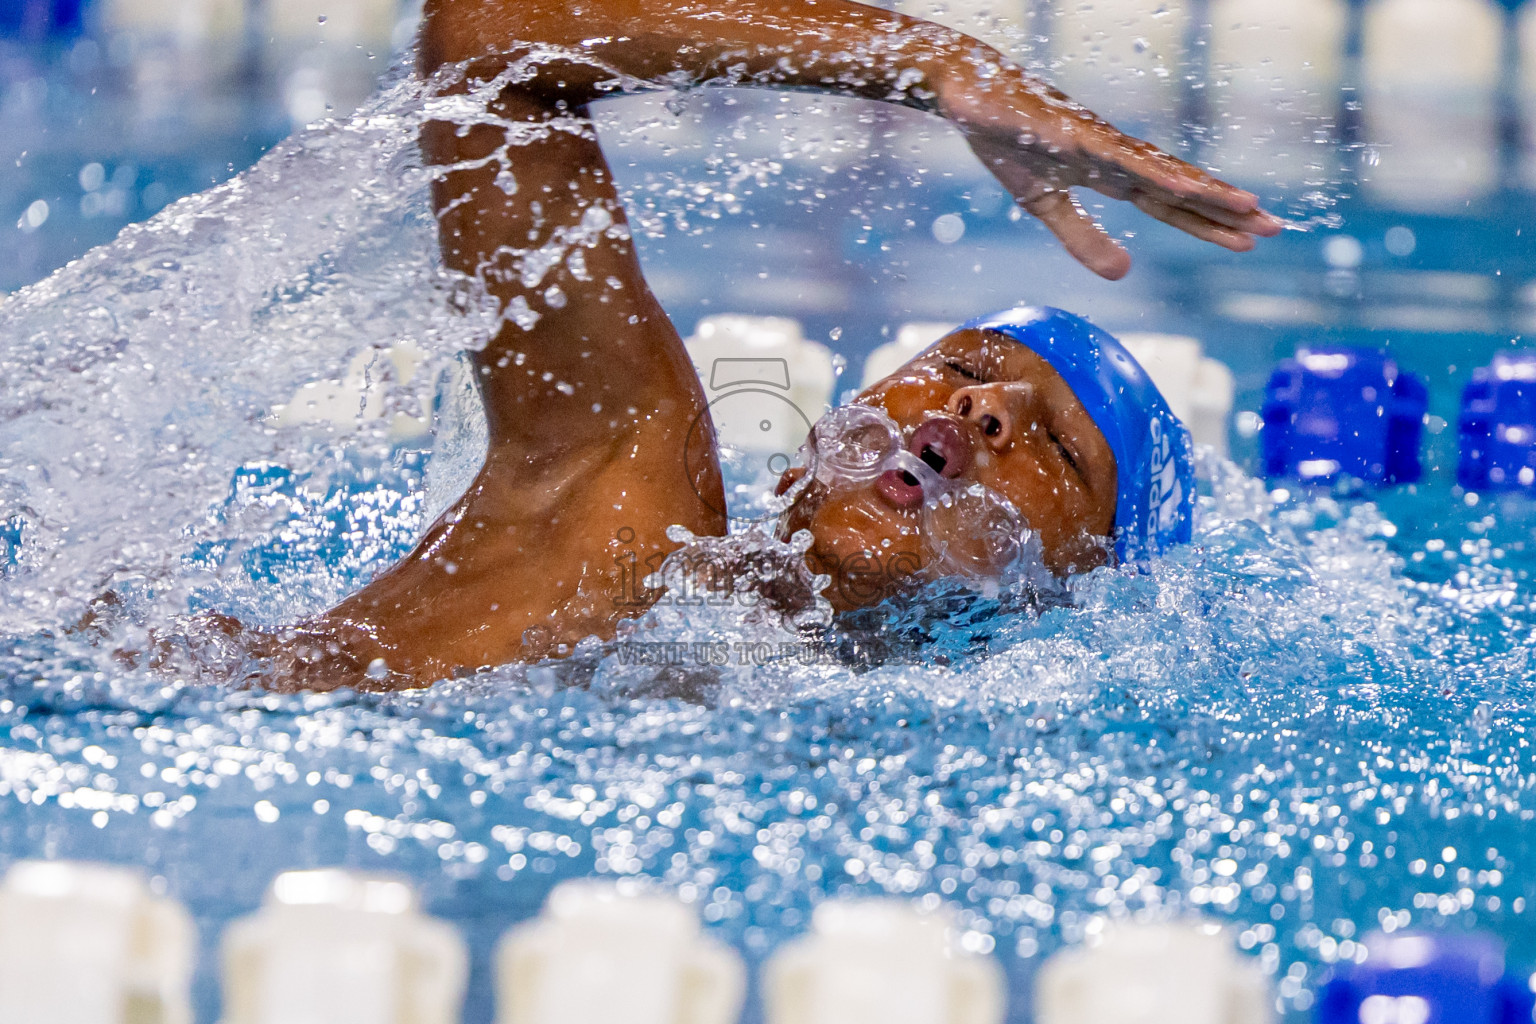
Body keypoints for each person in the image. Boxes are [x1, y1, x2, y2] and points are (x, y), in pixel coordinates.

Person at [239, 0, 1282, 690]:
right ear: (827, 432)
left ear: (1079, 590)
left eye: (1059, 450)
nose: (984, 406)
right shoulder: (630, 505)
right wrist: (931, 63)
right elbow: (485, 43)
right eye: (963, 368)